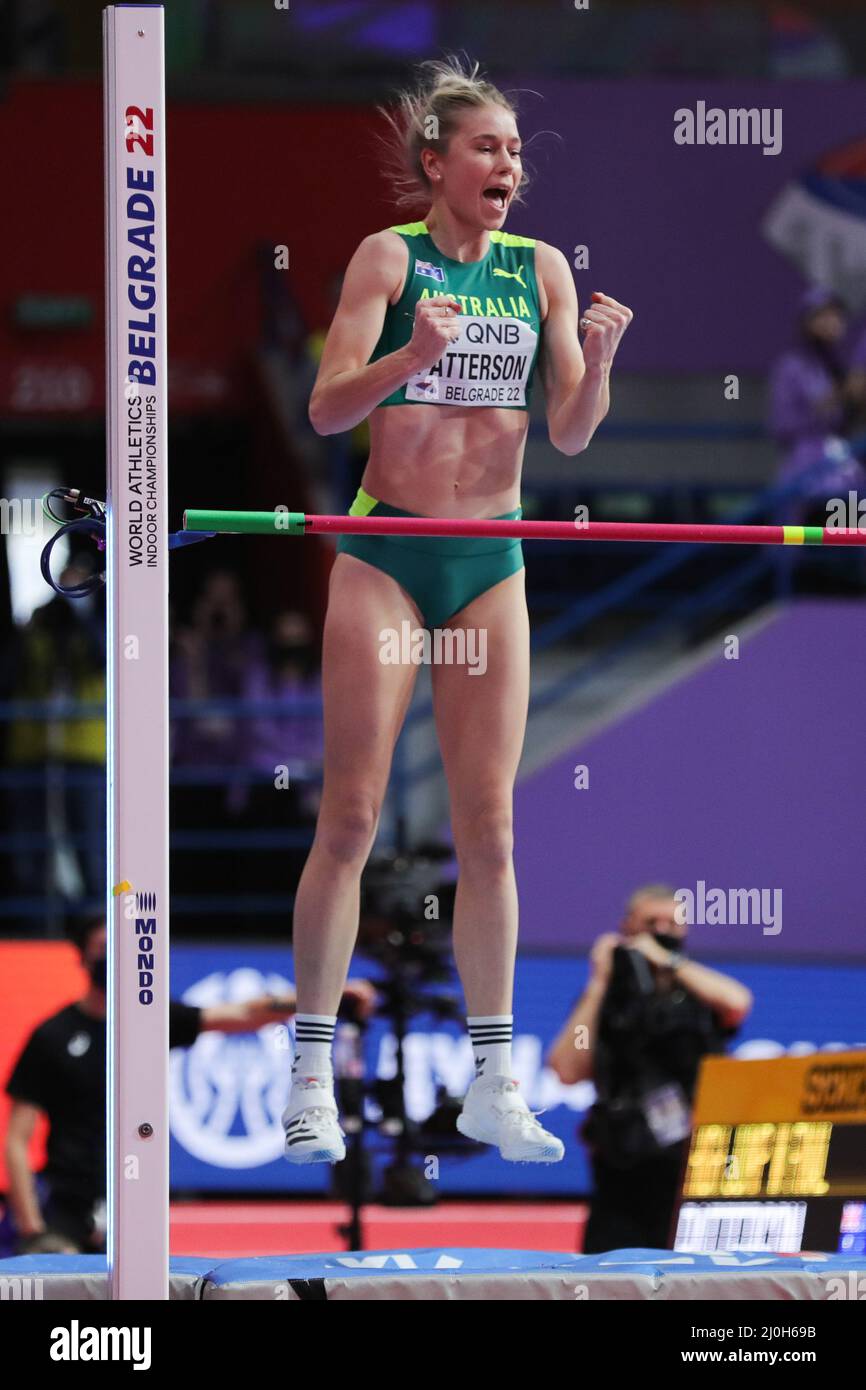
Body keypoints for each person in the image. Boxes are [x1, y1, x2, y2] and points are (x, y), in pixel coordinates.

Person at [281, 55, 633, 1166]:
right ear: (435, 162)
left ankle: (491, 1080)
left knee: (490, 829)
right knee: (350, 818)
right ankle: (307, 1077)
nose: (507, 166)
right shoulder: (389, 257)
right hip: (389, 550)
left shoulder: (540, 273)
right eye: (486, 148)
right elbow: (327, 405)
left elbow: (570, 432)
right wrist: (412, 356)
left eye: (515, 152)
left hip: (490, 556)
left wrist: (601, 364)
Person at [3, 914, 375, 1253]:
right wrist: (32, 1229)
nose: (111, 959)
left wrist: (325, 1000)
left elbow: (245, 1013)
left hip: (133, 1202)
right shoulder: (53, 1036)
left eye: (119, 950)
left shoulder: (152, 1019)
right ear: (82, 957)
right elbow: (17, 1140)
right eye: (102, 949)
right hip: (66, 1206)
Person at [547, 885, 753, 1252]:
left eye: (672, 923)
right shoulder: (607, 1000)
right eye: (650, 922)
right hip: (622, 1170)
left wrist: (667, 962)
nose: (662, 930)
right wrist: (599, 983)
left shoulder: (698, 993)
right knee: (608, 1281)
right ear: (627, 927)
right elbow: (566, 1068)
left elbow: (737, 1001)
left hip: (695, 1169)